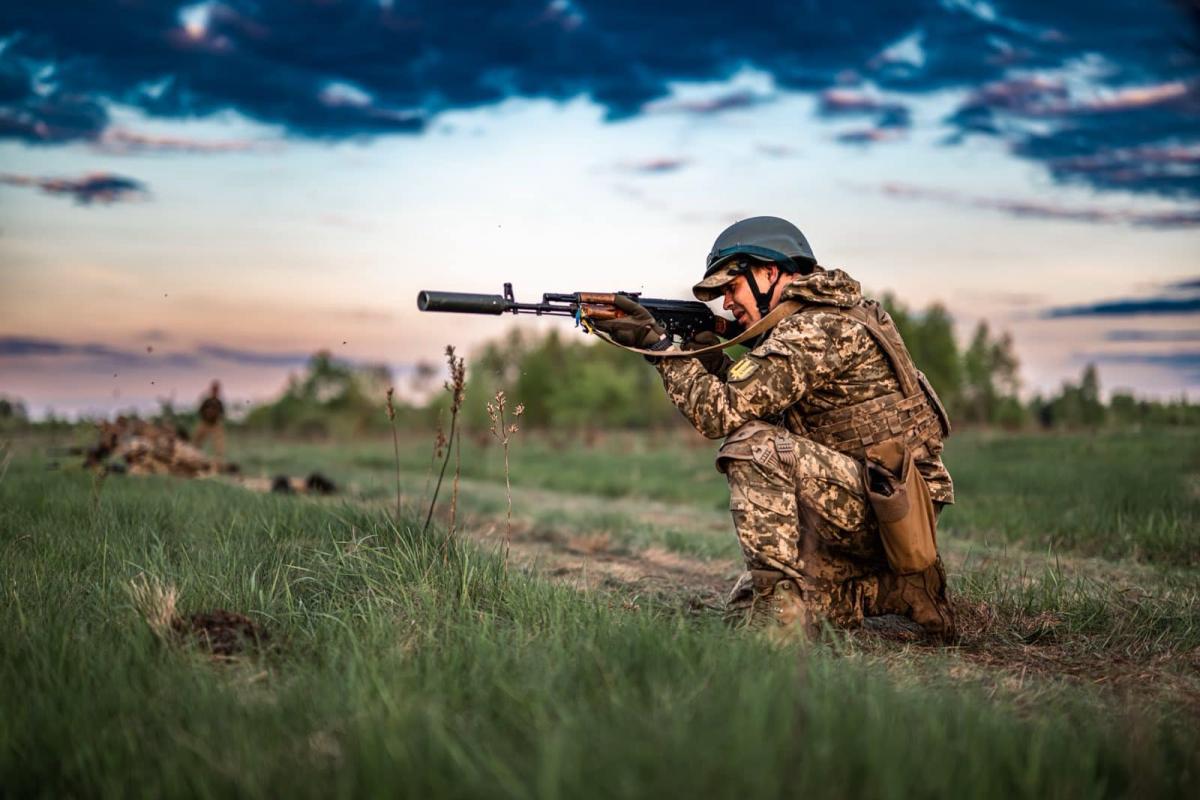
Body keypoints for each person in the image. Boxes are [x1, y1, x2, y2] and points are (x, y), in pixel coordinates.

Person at [591, 217, 956, 640]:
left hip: (895, 511)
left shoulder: (816, 329)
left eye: (732, 287)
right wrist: (703, 355)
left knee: (753, 448)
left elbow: (722, 414)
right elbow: (756, 402)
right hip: (879, 499)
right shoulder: (818, 318)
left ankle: (779, 622)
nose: (726, 303)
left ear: (769, 272)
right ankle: (901, 590)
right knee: (744, 606)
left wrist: (658, 348)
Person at [193, 380, 226, 466]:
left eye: (217, 389)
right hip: (205, 423)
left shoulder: (219, 402)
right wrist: (207, 414)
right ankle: (194, 455)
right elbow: (200, 410)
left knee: (219, 442)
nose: (215, 391)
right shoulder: (207, 401)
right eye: (214, 389)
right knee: (197, 439)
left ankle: (219, 459)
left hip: (215, 424)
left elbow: (222, 413)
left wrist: (215, 415)